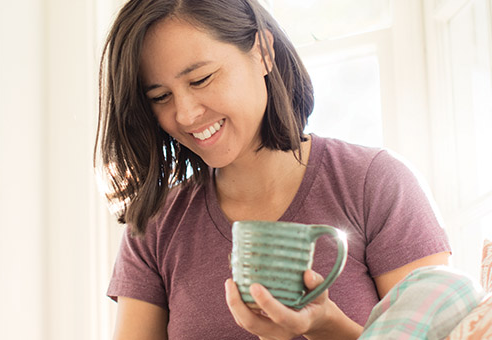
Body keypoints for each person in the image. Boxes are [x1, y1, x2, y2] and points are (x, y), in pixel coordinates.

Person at [93, 0, 452, 339]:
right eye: (160, 97)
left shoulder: (375, 184)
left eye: (201, 79)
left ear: (263, 51)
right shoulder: (157, 227)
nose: (185, 114)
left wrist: (326, 327)